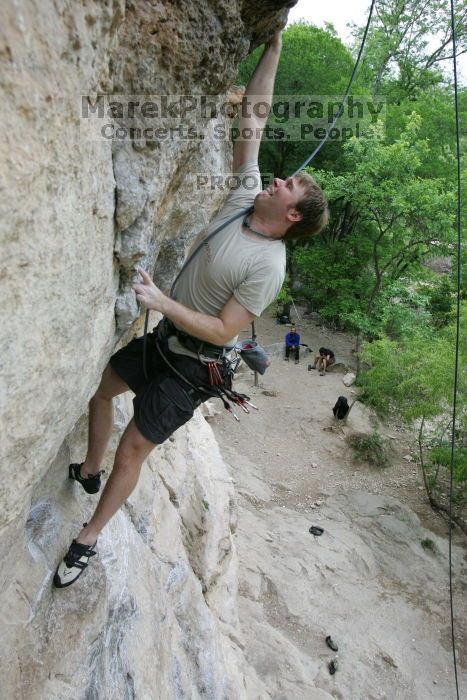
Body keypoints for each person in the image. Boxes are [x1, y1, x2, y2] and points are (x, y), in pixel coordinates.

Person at [54, 31, 329, 588]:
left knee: (134, 448)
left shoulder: (268, 265)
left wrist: (160, 302)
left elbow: (226, 328)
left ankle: (87, 539)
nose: (277, 180)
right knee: (101, 389)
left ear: (292, 215)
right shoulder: (243, 200)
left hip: (192, 369)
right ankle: (87, 469)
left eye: (288, 185)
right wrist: (272, 45)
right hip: (167, 341)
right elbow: (254, 118)